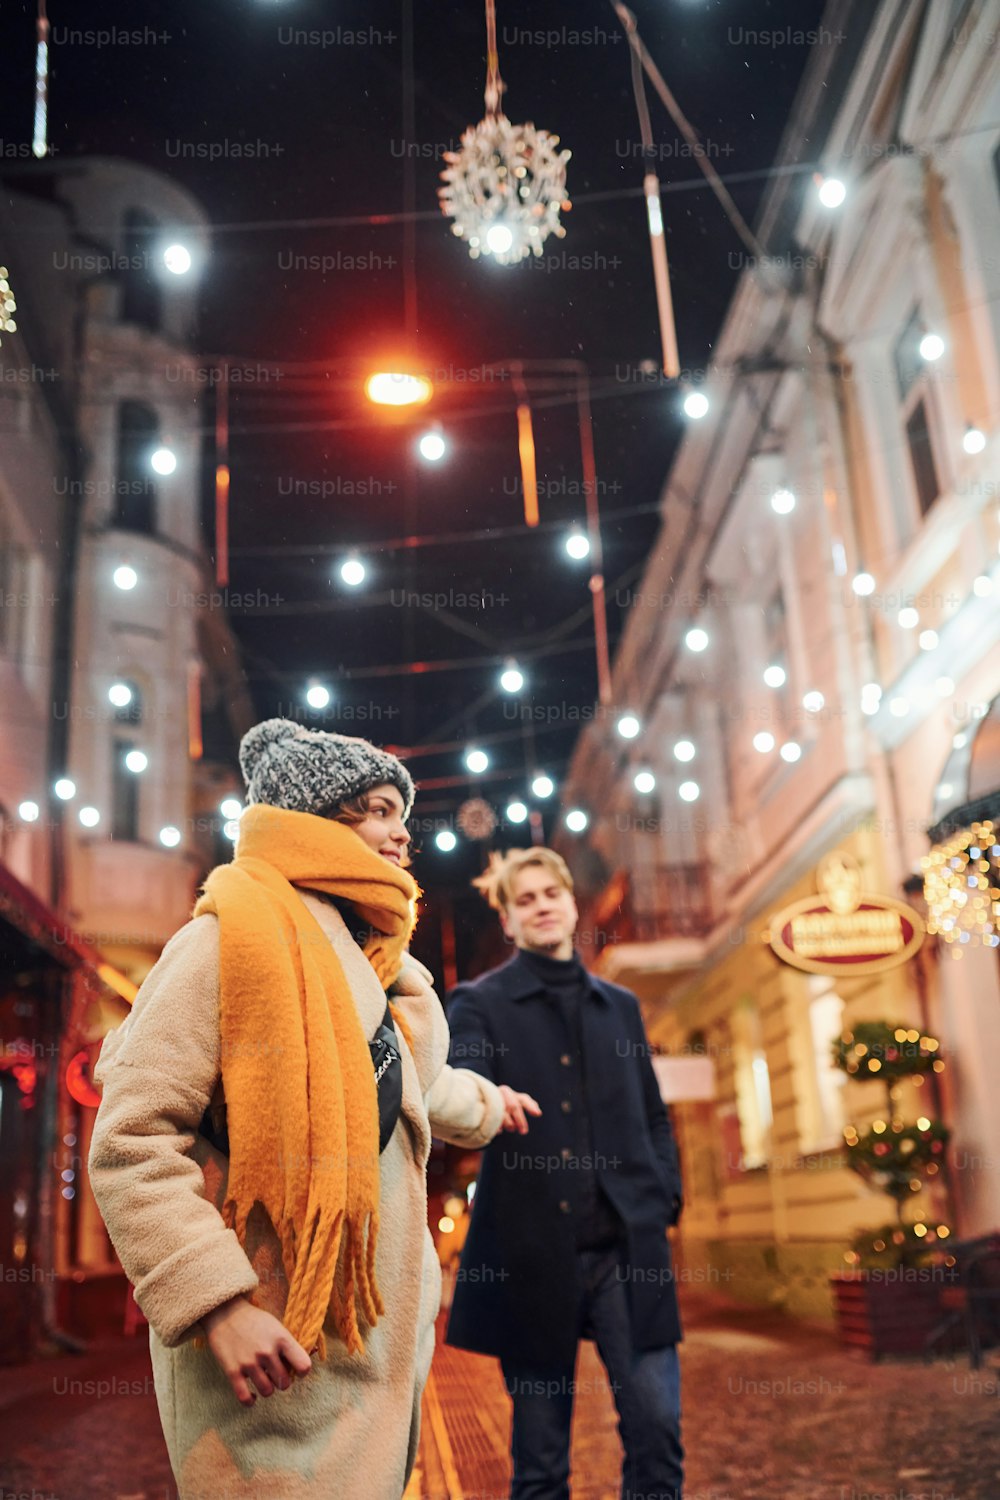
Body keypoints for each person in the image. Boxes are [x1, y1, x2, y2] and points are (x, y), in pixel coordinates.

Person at [89, 718, 535, 1500]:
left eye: (402, 811)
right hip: (271, 1353)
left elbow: (414, 1089)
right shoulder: (229, 944)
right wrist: (217, 1303)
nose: (402, 833)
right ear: (311, 822)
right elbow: (132, 1139)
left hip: (365, 1350)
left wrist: (493, 1104)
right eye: (376, 809)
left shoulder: (380, 967)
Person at [445, 846, 685, 1500]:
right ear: (508, 922)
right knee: (542, 1461)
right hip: (531, 1257)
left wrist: (665, 1195)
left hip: (626, 1251)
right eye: (524, 900)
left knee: (658, 1432)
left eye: (551, 893)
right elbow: (457, 1081)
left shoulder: (621, 1008)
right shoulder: (478, 1004)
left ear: (572, 903)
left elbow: (654, 1115)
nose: (542, 907)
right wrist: (485, 1094)